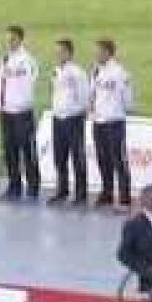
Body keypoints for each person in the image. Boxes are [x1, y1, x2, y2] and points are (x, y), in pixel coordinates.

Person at [0, 25, 41, 200]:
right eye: (8, 39)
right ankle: (14, 185)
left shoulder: (28, 60)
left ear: (20, 39)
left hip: (22, 112)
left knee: (27, 150)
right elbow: (0, 83)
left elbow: (31, 81)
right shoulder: (5, 59)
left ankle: (32, 185)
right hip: (7, 112)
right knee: (10, 151)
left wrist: (23, 101)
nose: (9, 42)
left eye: (13, 39)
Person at [91, 38, 135, 210]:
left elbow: (127, 96)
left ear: (108, 53)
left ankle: (124, 197)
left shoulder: (119, 73)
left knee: (119, 160)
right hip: (99, 120)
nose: (96, 54)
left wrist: (123, 110)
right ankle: (107, 193)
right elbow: (93, 92)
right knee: (103, 159)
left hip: (114, 121)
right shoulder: (96, 71)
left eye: (99, 51)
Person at [50, 38, 92, 205]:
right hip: (58, 117)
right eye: (56, 52)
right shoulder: (56, 71)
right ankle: (62, 189)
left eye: (61, 51)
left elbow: (84, 95)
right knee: (59, 156)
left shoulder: (77, 72)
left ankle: (81, 193)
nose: (58, 54)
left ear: (69, 53)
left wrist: (78, 111)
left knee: (77, 156)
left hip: (73, 118)